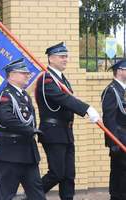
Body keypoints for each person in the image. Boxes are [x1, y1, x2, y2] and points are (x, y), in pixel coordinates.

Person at [35, 42, 100, 200]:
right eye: (61, 56)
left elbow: (68, 99)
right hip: (53, 132)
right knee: (57, 173)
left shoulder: (61, 79)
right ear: (51, 58)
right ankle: (32, 196)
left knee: (69, 175)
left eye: (66, 56)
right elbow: (64, 99)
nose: (65, 59)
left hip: (65, 132)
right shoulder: (47, 79)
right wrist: (87, 109)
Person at [0, 58, 46, 200]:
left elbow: (30, 119)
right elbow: (5, 119)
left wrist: (35, 130)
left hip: (28, 152)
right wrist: (30, 130)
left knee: (37, 194)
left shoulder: (24, 95)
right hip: (11, 152)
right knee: (6, 194)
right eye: (23, 73)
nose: (28, 75)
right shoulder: (5, 95)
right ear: (11, 75)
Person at [101, 59, 126, 200]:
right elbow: (109, 119)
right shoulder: (111, 90)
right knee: (119, 173)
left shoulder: (123, 89)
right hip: (119, 138)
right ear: (120, 71)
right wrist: (114, 142)